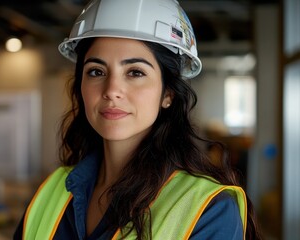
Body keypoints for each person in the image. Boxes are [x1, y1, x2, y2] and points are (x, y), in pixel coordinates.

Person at [13, 0, 262, 239]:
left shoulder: (209, 209)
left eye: (135, 72)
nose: (112, 89)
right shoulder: (51, 191)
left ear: (168, 93)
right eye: (96, 71)